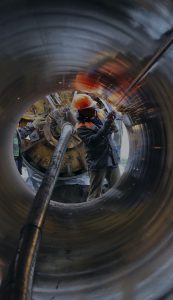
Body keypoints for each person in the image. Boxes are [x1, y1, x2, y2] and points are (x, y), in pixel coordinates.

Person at [72, 93, 120, 201]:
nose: (93, 108)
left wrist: (112, 122)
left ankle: (117, 213)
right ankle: (91, 215)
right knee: (95, 194)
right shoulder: (80, 127)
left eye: (93, 106)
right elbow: (94, 140)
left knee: (118, 188)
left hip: (111, 158)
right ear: (82, 111)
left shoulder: (99, 113)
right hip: (97, 162)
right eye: (90, 108)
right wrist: (107, 125)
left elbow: (113, 129)